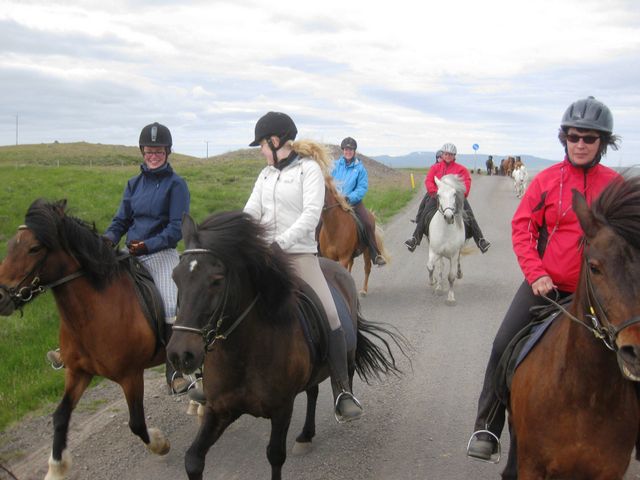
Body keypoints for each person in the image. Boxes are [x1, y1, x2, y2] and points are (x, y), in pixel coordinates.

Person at [467, 96, 621, 460]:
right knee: (503, 343)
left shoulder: (615, 187)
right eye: (573, 137)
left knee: (634, 347)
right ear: (564, 138)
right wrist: (536, 274)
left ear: (602, 142)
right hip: (548, 287)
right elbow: (523, 229)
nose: (580, 144)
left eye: (589, 138)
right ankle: (487, 426)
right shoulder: (548, 181)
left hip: (602, 294)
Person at [47, 122, 192, 395]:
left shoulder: (177, 185)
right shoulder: (133, 184)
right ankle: (71, 349)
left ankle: (175, 371)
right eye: (149, 151)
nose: (153, 155)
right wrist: (108, 240)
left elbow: (176, 229)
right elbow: (121, 220)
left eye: (158, 151)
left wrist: (148, 245)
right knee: (93, 288)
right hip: (131, 252)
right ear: (142, 152)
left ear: (167, 152)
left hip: (161, 253)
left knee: (169, 302)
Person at [244, 111, 363, 423]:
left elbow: (311, 215)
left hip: (298, 256)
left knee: (331, 315)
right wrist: (241, 237)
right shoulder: (265, 175)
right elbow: (251, 211)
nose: (260, 150)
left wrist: (280, 243)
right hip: (264, 257)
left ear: (276, 140)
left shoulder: (309, 170)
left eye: (262, 144)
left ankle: (342, 390)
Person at [404, 143, 491, 253]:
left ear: (454, 156)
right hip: (438, 196)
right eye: (446, 154)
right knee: (425, 212)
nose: (448, 156)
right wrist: (434, 192)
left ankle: (480, 240)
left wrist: (461, 194)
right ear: (442, 155)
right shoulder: (435, 168)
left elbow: (466, 183)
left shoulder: (461, 169)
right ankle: (415, 238)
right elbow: (429, 180)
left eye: (450, 154)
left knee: (469, 214)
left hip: (455, 197)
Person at [331, 137, 386, 266]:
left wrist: (349, 198)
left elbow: (362, 188)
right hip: (335, 201)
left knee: (368, 222)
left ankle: (375, 254)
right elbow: (328, 180)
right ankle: (315, 249)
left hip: (352, 202)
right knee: (319, 219)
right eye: (346, 149)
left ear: (354, 151)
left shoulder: (360, 168)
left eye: (350, 150)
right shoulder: (335, 165)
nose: (348, 152)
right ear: (343, 150)